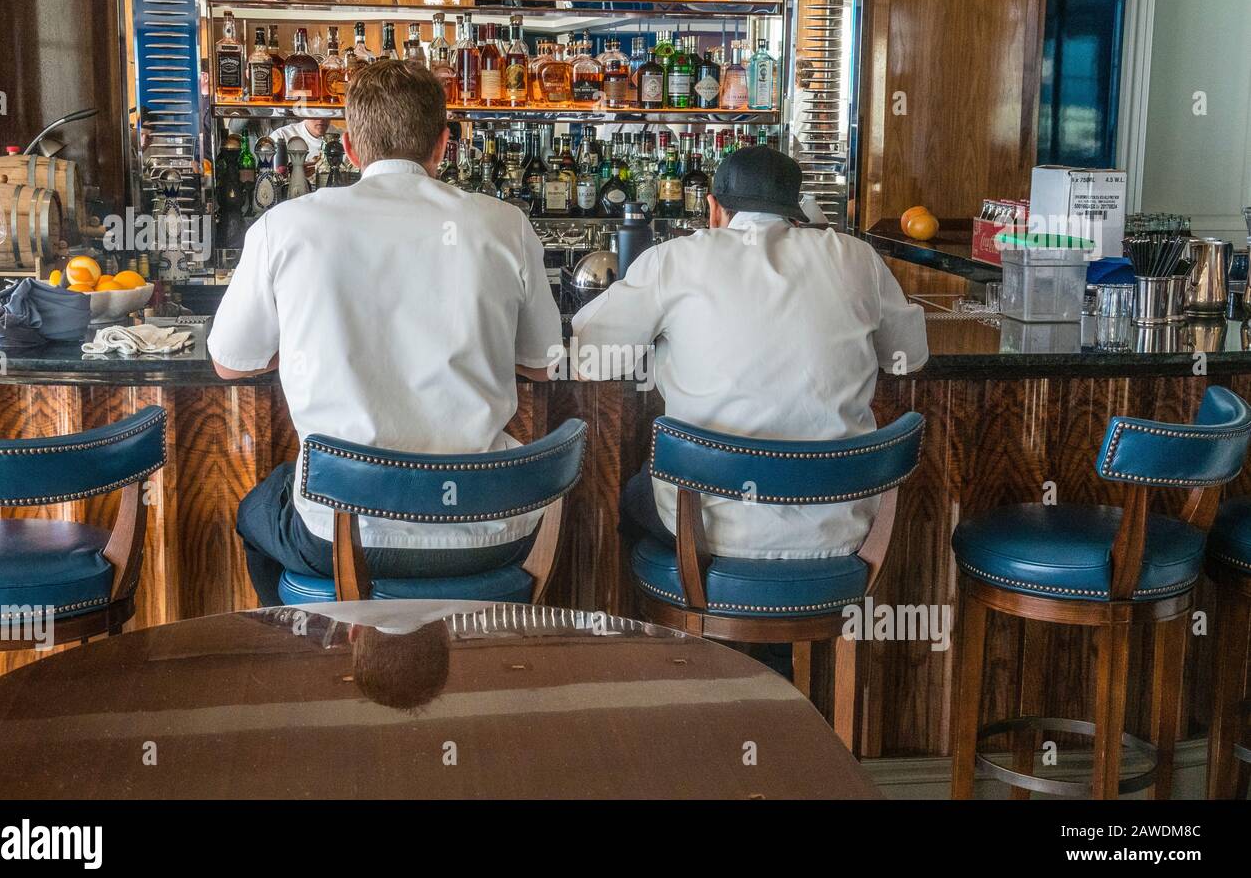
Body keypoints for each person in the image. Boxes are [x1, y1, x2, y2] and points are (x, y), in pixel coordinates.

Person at [208, 60, 562, 606]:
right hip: (490, 530)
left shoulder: (287, 226)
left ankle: (310, 651)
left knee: (255, 513)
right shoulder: (503, 224)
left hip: (342, 533)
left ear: (348, 148)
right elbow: (543, 363)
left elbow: (231, 360)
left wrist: (308, 343)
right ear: (444, 145)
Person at [572, 145, 928, 561]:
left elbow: (591, 360)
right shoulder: (857, 257)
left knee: (633, 495)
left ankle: (684, 614)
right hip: (842, 526)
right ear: (796, 211)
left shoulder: (675, 260)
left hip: (703, 527)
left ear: (713, 208)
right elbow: (909, 356)